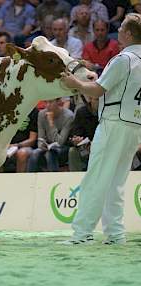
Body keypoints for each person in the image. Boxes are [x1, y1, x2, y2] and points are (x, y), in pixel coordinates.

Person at [60, 13, 141, 245]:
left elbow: (98, 90)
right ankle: (115, 234)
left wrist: (75, 84)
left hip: (114, 123)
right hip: (134, 125)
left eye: (122, 30)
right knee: (115, 182)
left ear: (127, 34)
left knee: (95, 179)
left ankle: (82, 234)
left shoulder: (123, 59)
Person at [27, 98, 74, 172]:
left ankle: (54, 180)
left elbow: (60, 142)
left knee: (51, 154)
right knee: (34, 153)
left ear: (58, 102)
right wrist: (41, 145)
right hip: (47, 146)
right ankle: (30, 181)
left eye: (51, 102)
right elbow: (40, 137)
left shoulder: (68, 116)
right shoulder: (41, 114)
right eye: (45, 102)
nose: (47, 105)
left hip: (63, 148)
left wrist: (51, 123)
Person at [2, 108, 38, 172]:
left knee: (22, 153)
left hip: (26, 147)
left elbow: (32, 139)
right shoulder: (8, 110)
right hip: (9, 146)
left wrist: (17, 145)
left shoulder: (33, 111)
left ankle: (19, 179)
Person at [68, 97, 98, 171]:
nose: (100, 102)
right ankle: (75, 178)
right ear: (90, 99)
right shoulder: (81, 112)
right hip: (86, 148)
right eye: (97, 99)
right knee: (73, 151)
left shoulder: (108, 113)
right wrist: (76, 140)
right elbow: (76, 133)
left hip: (103, 147)